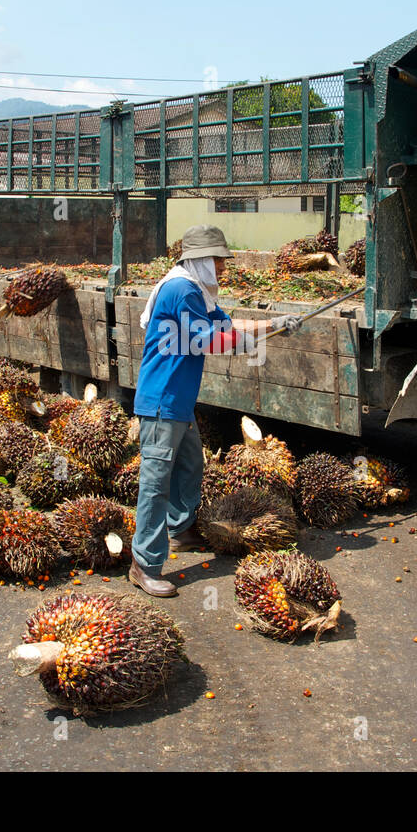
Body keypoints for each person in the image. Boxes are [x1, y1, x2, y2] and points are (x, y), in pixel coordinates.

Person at [128, 224, 302, 597]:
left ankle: (179, 530)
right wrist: (252, 341)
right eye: (218, 260)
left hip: (179, 402)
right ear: (199, 260)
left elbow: (224, 323)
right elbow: (207, 339)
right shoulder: (181, 289)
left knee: (191, 465)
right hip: (162, 402)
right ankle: (143, 564)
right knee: (156, 484)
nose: (224, 267)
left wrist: (274, 324)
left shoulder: (197, 291)